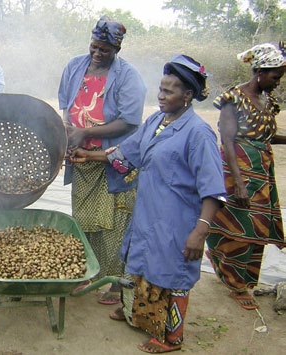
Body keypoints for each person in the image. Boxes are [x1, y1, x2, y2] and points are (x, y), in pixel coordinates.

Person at [69, 54, 226, 353]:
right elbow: (127, 152)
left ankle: (171, 337)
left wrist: (200, 231)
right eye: (161, 88)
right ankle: (135, 315)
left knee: (171, 272)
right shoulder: (157, 120)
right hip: (148, 211)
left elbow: (213, 190)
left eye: (169, 91)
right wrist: (89, 155)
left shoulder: (198, 134)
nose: (161, 95)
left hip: (177, 219)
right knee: (140, 263)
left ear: (188, 95)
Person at [58, 15, 146, 305]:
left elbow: (130, 122)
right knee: (83, 220)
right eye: (94, 47)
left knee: (114, 223)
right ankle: (87, 272)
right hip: (83, 160)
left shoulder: (128, 77)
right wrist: (69, 135)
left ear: (116, 51)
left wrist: (86, 131)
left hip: (111, 161)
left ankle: (115, 283)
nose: (97, 53)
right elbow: (65, 105)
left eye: (104, 50)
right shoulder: (74, 66)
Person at [206, 43, 286, 311]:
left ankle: (243, 276)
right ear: (260, 72)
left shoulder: (269, 101)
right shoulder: (234, 98)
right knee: (237, 225)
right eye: (275, 77)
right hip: (235, 169)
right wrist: (239, 183)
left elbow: (264, 134)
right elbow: (227, 140)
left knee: (259, 228)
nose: (278, 82)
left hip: (261, 170)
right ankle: (236, 282)